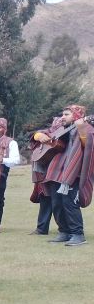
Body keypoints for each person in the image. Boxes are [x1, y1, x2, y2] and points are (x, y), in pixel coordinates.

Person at [36, 104, 94, 246]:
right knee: (56, 203)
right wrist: (40, 135)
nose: (62, 117)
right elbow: (40, 134)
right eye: (63, 114)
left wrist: (80, 128)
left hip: (74, 173)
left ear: (77, 116)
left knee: (69, 203)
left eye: (66, 114)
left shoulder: (87, 128)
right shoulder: (61, 129)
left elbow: (88, 146)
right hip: (56, 172)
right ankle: (64, 232)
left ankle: (77, 234)